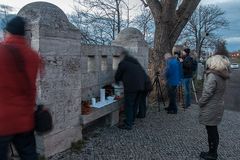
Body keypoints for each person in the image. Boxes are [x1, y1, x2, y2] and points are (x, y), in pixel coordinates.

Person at [0, 16, 43, 160]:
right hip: (25, 119)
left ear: (8, 32)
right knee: (29, 155)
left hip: (3, 120)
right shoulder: (34, 56)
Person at [198, 55, 230, 160]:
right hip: (218, 105)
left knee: (211, 130)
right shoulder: (222, 75)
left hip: (211, 106)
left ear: (213, 63)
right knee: (213, 129)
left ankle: (212, 154)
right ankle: (212, 152)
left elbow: (207, 93)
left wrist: (201, 102)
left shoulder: (212, 76)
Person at [115, 50, 146, 130]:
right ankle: (131, 120)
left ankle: (128, 124)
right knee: (135, 104)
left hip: (131, 87)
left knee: (128, 105)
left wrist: (117, 82)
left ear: (122, 56)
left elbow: (117, 76)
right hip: (141, 87)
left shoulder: (123, 63)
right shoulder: (136, 63)